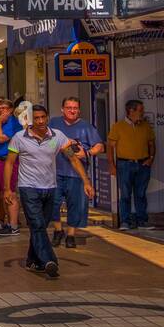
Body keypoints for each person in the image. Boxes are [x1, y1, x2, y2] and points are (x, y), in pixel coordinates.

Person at [4, 105, 94, 279]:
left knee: (41, 227)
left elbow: (73, 159)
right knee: (37, 225)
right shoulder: (19, 138)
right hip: (28, 187)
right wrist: (8, 189)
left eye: (43, 117)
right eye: (36, 118)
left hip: (49, 188)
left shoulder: (56, 136)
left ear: (47, 117)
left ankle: (32, 260)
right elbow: (9, 163)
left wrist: (86, 182)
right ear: (31, 120)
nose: (40, 121)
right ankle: (49, 261)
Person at [48, 96, 104, 249]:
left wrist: (87, 153)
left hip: (77, 174)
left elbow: (100, 146)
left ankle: (71, 235)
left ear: (79, 110)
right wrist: (62, 144)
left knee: (76, 205)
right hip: (55, 171)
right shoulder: (53, 123)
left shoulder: (86, 126)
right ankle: (58, 230)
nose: (72, 111)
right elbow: (48, 142)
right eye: (69, 108)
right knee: (53, 203)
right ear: (62, 109)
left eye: (75, 108)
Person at [108, 100, 157, 231]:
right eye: (140, 110)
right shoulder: (118, 127)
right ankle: (125, 221)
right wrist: (112, 165)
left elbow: (151, 143)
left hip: (143, 164)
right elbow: (110, 148)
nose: (142, 113)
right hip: (124, 164)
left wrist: (151, 158)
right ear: (131, 111)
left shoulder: (146, 126)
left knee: (140, 194)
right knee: (125, 194)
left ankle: (142, 221)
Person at [0, 98, 23, 236]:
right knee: (3, 193)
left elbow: (1, 139)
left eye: (3, 108)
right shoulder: (0, 124)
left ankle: (14, 225)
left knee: (10, 192)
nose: (0, 110)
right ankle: (9, 222)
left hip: (8, 161)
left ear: (10, 110)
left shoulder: (13, 123)